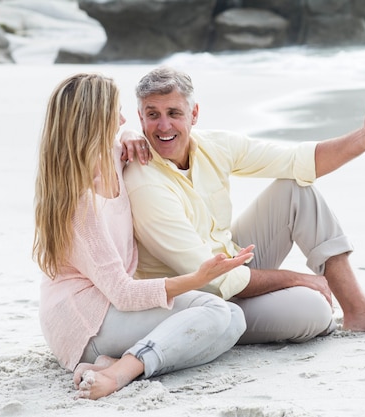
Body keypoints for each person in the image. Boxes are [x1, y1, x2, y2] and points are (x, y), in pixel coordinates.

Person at [123, 66, 365, 345]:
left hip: (229, 263)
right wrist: (297, 278)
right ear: (141, 118)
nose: (163, 126)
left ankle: (359, 310)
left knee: (295, 188)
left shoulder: (214, 146)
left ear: (194, 114)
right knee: (315, 312)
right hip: (196, 301)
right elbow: (215, 281)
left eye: (174, 112)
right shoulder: (145, 183)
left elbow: (299, 161)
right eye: (153, 115)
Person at [33, 73, 254, 400]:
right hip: (85, 324)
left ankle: (117, 362)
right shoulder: (81, 205)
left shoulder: (112, 156)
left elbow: (127, 135)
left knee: (233, 318)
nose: (122, 119)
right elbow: (122, 293)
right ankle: (121, 372)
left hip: (108, 308)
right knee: (215, 311)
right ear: (94, 122)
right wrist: (198, 277)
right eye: (114, 114)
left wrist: (133, 134)